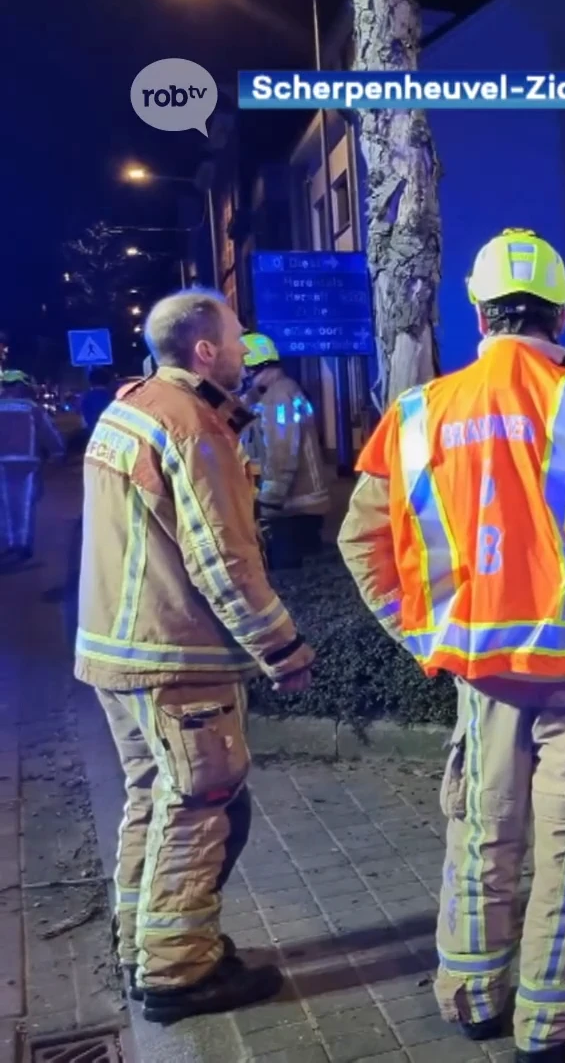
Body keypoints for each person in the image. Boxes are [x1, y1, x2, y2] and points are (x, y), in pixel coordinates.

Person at [337, 227, 565, 1063]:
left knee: (482, 836)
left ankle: (469, 997)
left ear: (479, 313)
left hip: (482, 679)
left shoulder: (418, 411)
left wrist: (424, 633)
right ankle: (551, 1026)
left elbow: (363, 541)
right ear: (561, 313)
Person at [75, 288, 314, 1024]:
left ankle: (143, 943)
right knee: (203, 809)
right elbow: (223, 561)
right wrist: (283, 647)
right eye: (237, 337)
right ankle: (179, 973)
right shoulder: (192, 426)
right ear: (205, 349)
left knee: (152, 799)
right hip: (177, 657)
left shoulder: (131, 408)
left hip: (117, 652)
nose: (246, 349)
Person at [238, 332, 332, 567]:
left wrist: (269, 499)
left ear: (254, 368)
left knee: (288, 570)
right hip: (303, 505)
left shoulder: (278, 398)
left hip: (293, 505)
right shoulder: (283, 390)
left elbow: (281, 450)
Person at [0, 369, 65, 561]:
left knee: (3, 505)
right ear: (20, 386)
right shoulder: (31, 408)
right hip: (25, 463)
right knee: (23, 504)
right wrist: (58, 452)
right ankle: (21, 545)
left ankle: (7, 543)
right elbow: (48, 433)